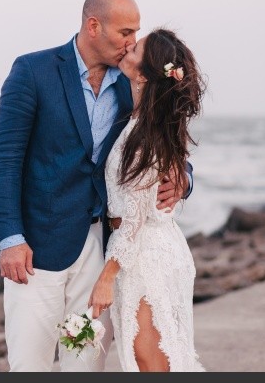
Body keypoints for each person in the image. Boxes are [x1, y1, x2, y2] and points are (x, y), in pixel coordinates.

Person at [0, 0, 194, 372]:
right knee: (30, 364)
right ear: (94, 26)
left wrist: (183, 178)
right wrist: (10, 237)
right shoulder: (33, 71)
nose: (133, 42)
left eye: (136, 33)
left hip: (102, 248)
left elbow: (161, 136)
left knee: (85, 366)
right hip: (36, 249)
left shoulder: (132, 81)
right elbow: (4, 160)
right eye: (126, 32)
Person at [87, 28, 206, 372]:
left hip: (146, 256)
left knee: (149, 359)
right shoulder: (144, 125)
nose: (127, 46)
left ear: (142, 74)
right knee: (156, 357)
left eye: (135, 47)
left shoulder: (145, 137)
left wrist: (105, 278)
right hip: (147, 250)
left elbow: (135, 217)